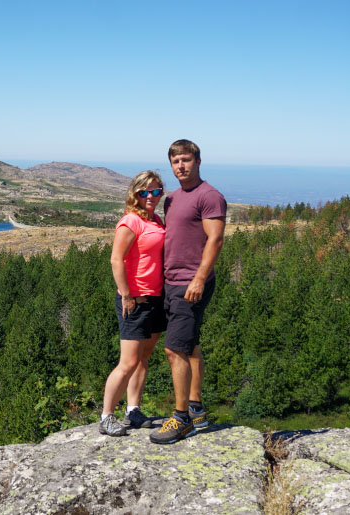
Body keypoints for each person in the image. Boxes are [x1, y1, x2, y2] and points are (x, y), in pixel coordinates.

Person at [150, 139, 226, 444]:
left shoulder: (210, 196)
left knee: (175, 349)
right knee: (190, 344)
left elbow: (215, 240)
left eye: (186, 160)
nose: (180, 166)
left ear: (198, 161)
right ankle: (196, 408)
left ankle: (180, 419)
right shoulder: (172, 198)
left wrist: (198, 278)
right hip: (172, 281)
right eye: (175, 161)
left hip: (190, 283)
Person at [99, 170, 167, 436]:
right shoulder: (131, 222)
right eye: (144, 192)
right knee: (127, 362)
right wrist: (126, 295)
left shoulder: (156, 219)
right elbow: (116, 260)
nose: (150, 196)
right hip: (135, 300)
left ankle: (133, 410)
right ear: (135, 194)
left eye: (155, 191)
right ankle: (106, 416)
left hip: (155, 298)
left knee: (143, 359)